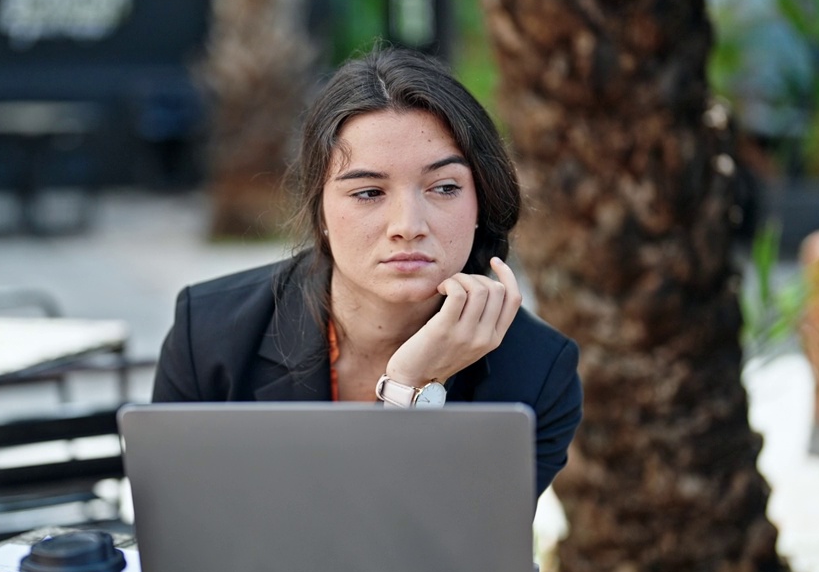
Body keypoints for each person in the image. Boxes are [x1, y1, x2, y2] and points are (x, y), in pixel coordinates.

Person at [152, 46, 582, 500]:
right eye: (369, 192)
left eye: (444, 188)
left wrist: (414, 387)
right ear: (319, 208)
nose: (408, 227)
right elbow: (175, 529)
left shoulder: (535, 373)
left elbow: (445, 559)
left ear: (481, 204)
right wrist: (404, 391)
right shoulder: (210, 333)